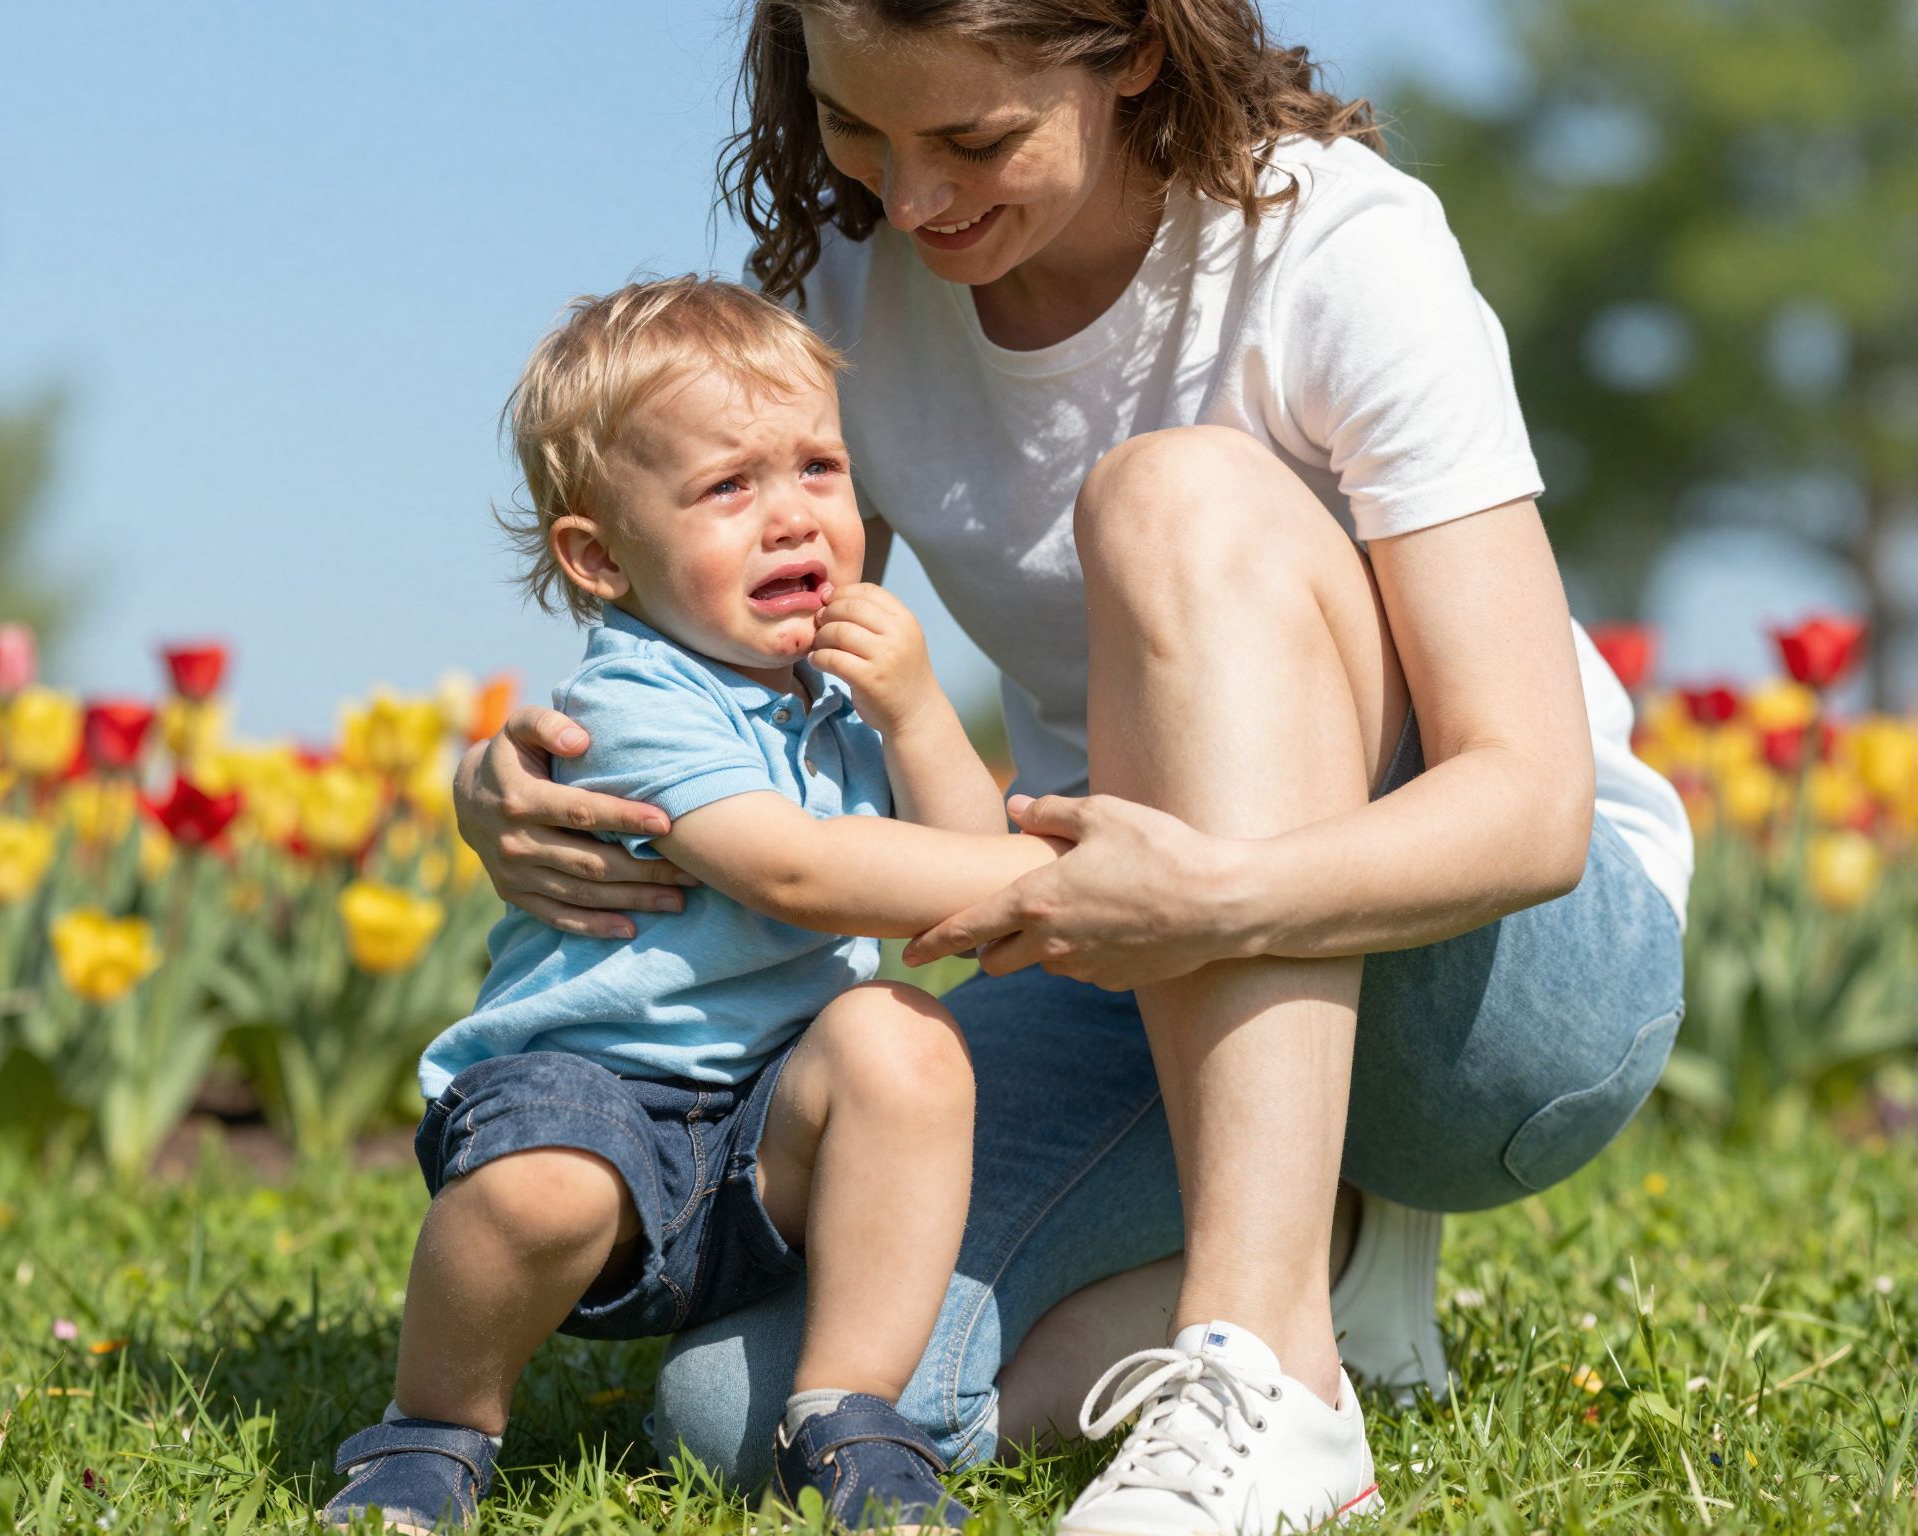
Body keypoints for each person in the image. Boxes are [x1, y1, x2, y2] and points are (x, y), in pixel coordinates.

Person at [454, 4, 1695, 1531]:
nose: (910, 201)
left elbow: (1533, 808)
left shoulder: (1340, 249)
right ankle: (1334, 1256)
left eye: (973, 141)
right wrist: (524, 776)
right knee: (746, 1419)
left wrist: (1215, 895)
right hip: (1139, 958)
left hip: (1495, 990)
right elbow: (737, 638)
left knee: (1174, 499)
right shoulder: (859, 281)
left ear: (1134, 52)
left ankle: (1272, 1373)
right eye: (858, 129)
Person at [325, 277, 1069, 1533]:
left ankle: (848, 1409)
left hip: (774, 1116)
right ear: (600, 556)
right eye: (729, 487)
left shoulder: (836, 707)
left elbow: (952, 885)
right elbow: (794, 871)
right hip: (597, 1092)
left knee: (903, 1037)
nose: (792, 518)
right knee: (535, 1193)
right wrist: (1068, 874)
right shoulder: (630, 703)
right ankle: (431, 1428)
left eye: (819, 469)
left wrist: (920, 712)